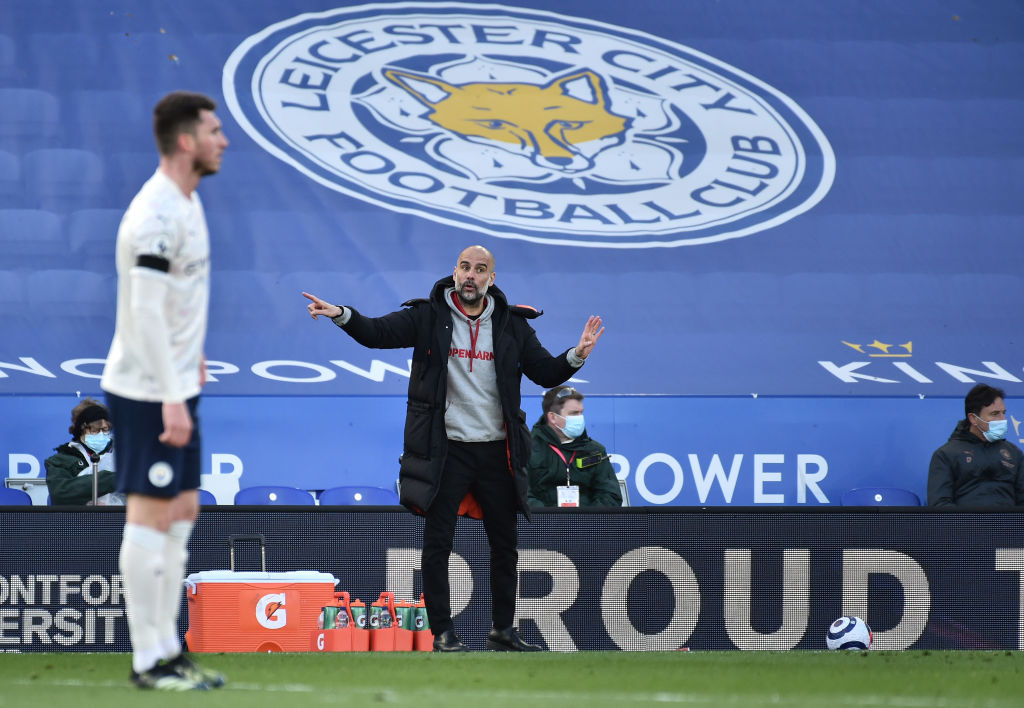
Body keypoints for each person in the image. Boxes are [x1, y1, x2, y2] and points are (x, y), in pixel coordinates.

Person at [303, 245, 604, 652]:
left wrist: (577, 355)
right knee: (437, 543)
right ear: (455, 272)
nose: (471, 275)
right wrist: (340, 314)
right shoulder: (428, 316)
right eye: (465, 267)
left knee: (505, 546)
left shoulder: (512, 324)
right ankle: (442, 632)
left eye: (480, 269)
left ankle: (503, 631)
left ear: (491, 279)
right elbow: (377, 334)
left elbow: (545, 372)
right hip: (447, 449)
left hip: (497, 450)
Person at [99, 91, 228, 691]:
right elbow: (145, 311)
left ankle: (170, 649)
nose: (223, 141)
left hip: (175, 381)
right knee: (149, 515)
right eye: (213, 131)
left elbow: (173, 301)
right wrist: (171, 395)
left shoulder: (188, 201)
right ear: (185, 141)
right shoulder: (154, 213)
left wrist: (189, 354)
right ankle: (147, 659)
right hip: (148, 389)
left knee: (182, 510)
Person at [928, 383, 1024, 507]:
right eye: (995, 414)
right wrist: (969, 519)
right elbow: (939, 504)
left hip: (1008, 519)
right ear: (973, 419)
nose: (1003, 419)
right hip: (965, 519)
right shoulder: (946, 454)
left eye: (1003, 413)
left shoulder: (1014, 453)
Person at [526, 386, 622, 508]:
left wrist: (585, 517)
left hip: (587, 519)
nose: (579, 418)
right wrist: (550, 517)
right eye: (574, 413)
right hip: (543, 519)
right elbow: (522, 495)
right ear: (553, 417)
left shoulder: (595, 450)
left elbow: (611, 495)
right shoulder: (526, 449)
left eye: (581, 412)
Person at [45, 397, 124, 506]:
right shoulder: (60, 460)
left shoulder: (123, 455)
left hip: (121, 516)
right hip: (80, 516)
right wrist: (116, 478)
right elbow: (60, 494)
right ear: (80, 430)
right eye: (95, 430)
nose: (101, 435)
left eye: (105, 430)